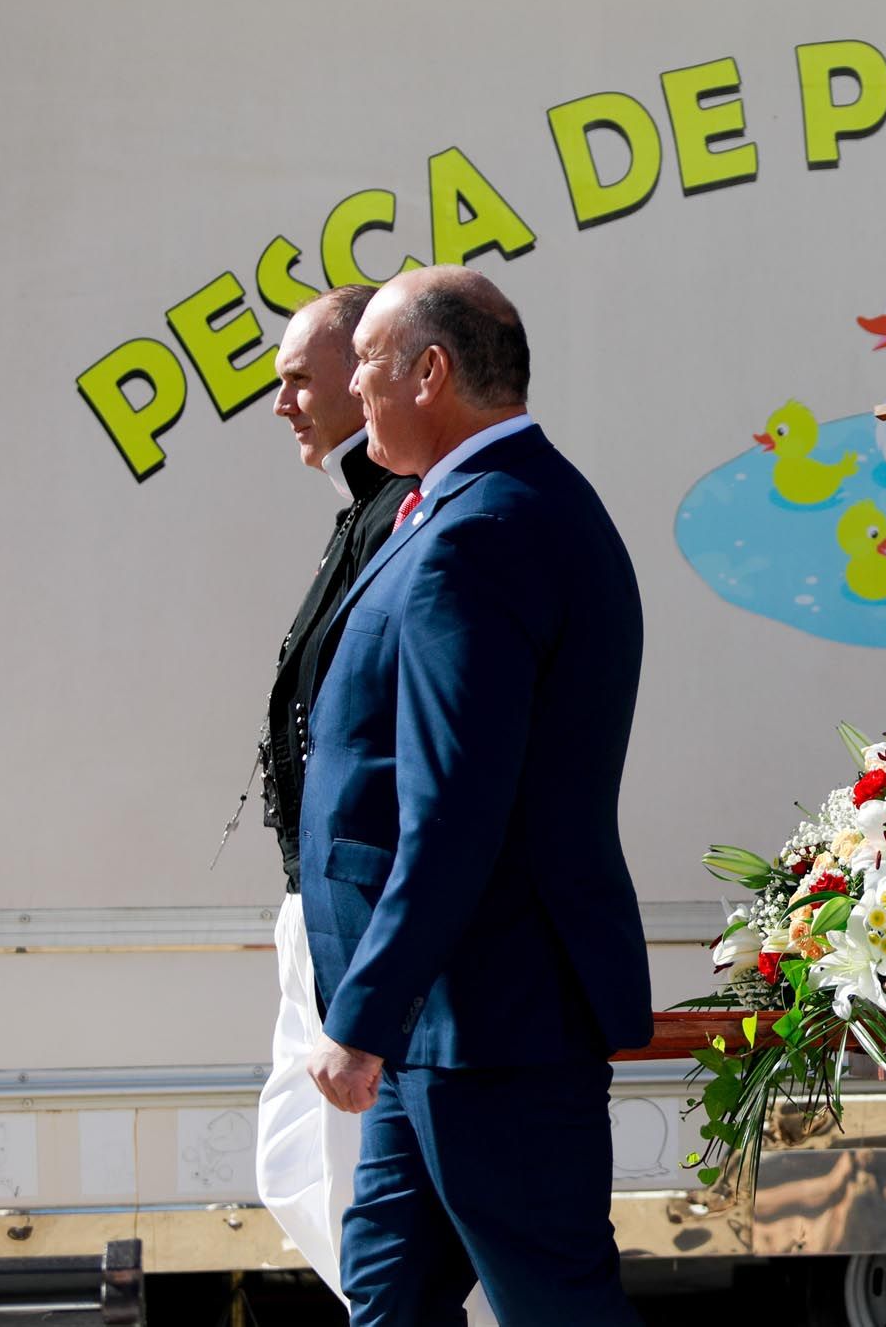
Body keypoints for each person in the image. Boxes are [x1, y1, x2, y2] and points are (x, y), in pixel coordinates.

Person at [298, 265, 650, 1325]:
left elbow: (455, 805)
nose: (352, 391)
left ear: (431, 371)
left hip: (488, 1021)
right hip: (439, 1022)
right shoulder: (481, 506)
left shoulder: (481, 532)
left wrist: (359, 1016)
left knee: (557, 1308)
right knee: (389, 1302)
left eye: (364, 364)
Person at [251, 284, 436, 1311]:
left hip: (351, 912)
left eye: (299, 380)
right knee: (300, 1169)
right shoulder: (361, 511)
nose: (284, 404)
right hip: (319, 901)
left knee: (348, 1180)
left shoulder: (399, 515)